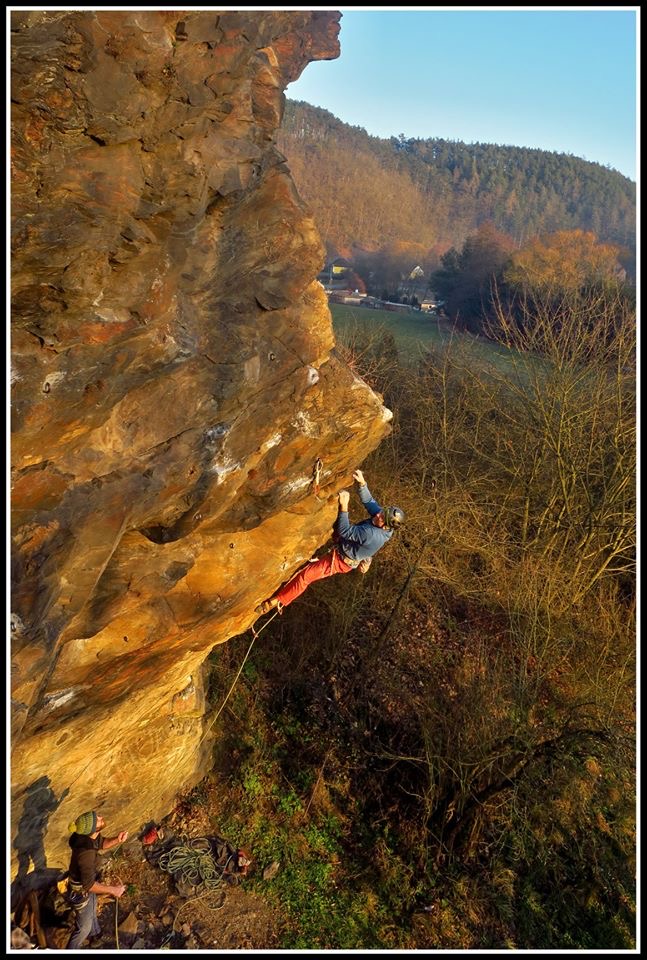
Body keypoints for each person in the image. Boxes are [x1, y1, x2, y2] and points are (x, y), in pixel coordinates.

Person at [255, 469, 405, 614]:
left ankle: (276, 601)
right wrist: (362, 484)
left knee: (306, 576)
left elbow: (345, 531)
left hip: (341, 560)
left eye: (381, 517)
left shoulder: (372, 534)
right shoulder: (383, 522)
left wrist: (344, 505)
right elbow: (370, 503)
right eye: (381, 512)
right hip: (347, 545)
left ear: (385, 525)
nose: (378, 515)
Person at [65, 810, 127, 949]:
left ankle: (96, 935)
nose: (100, 817)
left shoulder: (88, 837)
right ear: (93, 829)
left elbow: (101, 843)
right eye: (97, 819)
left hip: (88, 882)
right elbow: (89, 885)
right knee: (83, 928)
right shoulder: (85, 853)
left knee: (92, 910)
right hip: (81, 891)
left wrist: (117, 839)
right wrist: (114, 890)